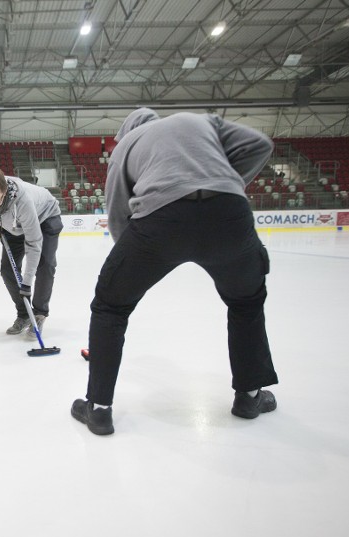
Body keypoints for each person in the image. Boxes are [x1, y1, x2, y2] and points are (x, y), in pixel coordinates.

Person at [71, 108, 279, 436]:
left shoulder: (125, 146)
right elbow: (260, 145)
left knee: (111, 307)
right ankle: (250, 396)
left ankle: (98, 409)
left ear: (125, 131)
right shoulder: (198, 119)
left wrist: (129, 262)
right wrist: (226, 184)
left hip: (159, 222)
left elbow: (117, 209)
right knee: (246, 303)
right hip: (229, 215)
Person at [0, 169, 62, 337]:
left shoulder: (23, 201)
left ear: (5, 192)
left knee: (45, 265)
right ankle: (24, 313)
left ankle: (39, 313)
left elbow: (33, 243)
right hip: (13, 226)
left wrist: (26, 284)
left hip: (45, 217)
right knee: (7, 270)